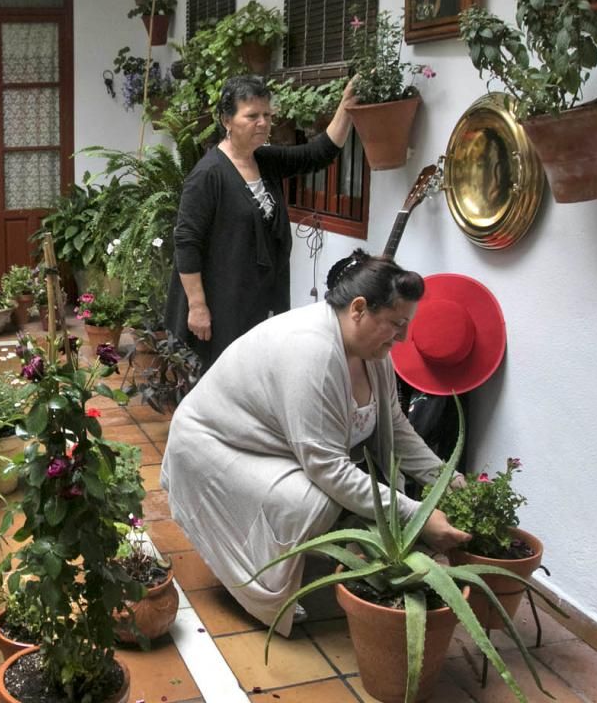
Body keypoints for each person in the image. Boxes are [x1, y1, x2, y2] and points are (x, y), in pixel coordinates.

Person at [159, 250, 471, 636]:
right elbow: (326, 468)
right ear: (358, 309)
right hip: (212, 444)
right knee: (314, 501)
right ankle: (253, 579)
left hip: (265, 443)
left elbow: (396, 425)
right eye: (396, 323)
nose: (403, 337)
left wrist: (450, 481)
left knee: (336, 496)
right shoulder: (312, 352)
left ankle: (287, 558)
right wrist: (417, 516)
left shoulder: (374, 352)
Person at [165, 75, 358, 371]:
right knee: (221, 381)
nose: (263, 122)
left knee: (255, 376)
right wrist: (198, 306)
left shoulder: (264, 160)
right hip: (221, 302)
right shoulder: (208, 175)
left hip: (258, 297)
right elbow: (186, 242)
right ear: (226, 120)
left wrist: (346, 106)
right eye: (252, 115)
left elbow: (318, 154)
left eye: (267, 115)